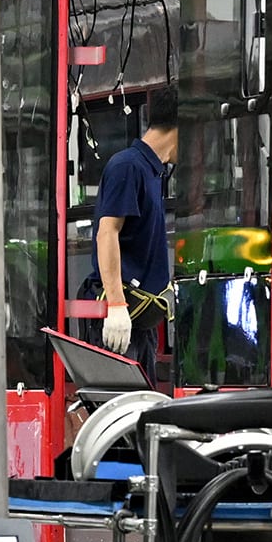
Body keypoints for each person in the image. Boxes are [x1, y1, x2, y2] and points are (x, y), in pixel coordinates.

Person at [93, 88, 179, 373]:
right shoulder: (128, 166)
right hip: (120, 316)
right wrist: (116, 305)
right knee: (121, 397)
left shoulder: (154, 171)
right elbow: (107, 232)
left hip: (141, 320)